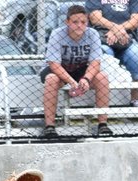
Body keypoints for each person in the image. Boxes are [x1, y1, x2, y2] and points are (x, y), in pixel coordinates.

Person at [41, 4, 112, 138]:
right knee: (51, 79)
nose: (79, 25)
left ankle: (103, 124)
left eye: (83, 22)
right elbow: (54, 64)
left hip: (81, 69)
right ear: (67, 22)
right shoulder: (57, 34)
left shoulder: (92, 34)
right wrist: (71, 82)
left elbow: (95, 62)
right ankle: (49, 126)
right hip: (61, 69)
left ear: (87, 22)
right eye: (75, 22)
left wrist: (86, 79)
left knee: (102, 77)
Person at [86, 0, 138, 107]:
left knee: (136, 55)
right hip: (103, 36)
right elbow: (95, 18)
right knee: (105, 54)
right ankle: (103, 100)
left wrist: (118, 30)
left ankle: (135, 99)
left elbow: (136, 20)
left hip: (127, 37)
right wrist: (115, 28)